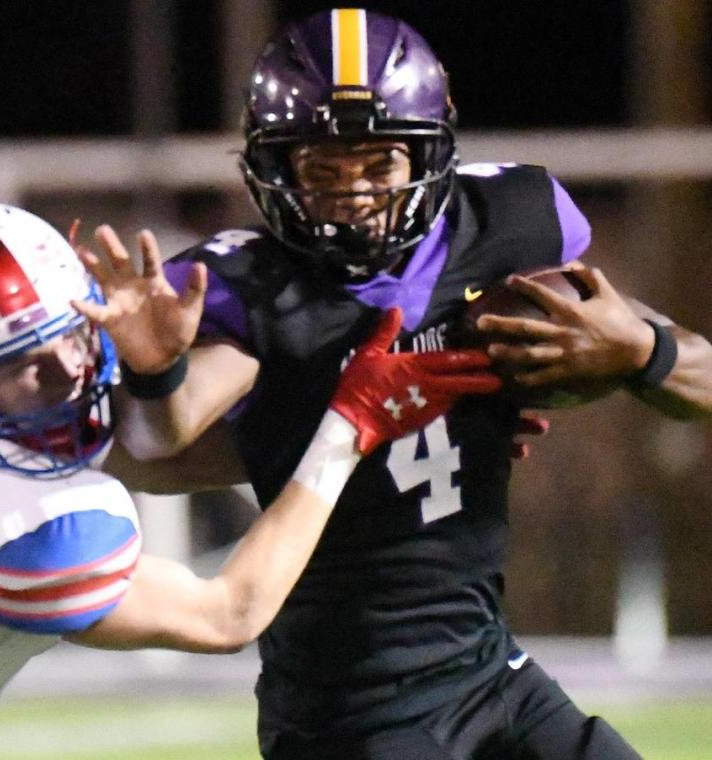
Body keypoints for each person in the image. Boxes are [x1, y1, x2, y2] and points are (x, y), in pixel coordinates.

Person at [74, 8, 712, 759]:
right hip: (346, 711)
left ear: (428, 157)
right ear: (277, 170)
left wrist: (640, 351)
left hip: (487, 671)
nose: (355, 196)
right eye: (323, 171)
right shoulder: (259, 291)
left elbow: (699, 375)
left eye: (380, 165)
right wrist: (157, 371)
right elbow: (158, 436)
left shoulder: (500, 236)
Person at [0, 198, 502, 758]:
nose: (71, 373)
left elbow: (159, 445)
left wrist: (166, 375)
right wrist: (348, 428)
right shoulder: (15, 534)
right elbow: (228, 615)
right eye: (25, 371)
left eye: (71, 335)